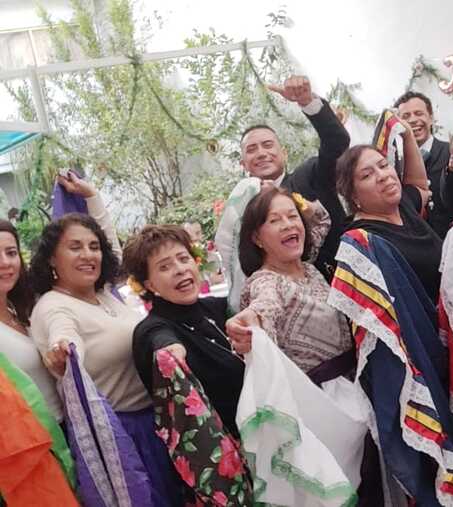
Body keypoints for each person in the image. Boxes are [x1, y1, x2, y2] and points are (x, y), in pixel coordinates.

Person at [29, 175, 183, 506]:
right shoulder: (53, 306)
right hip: (120, 439)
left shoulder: (106, 295)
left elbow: (111, 246)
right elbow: (64, 334)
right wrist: (63, 351)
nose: (89, 255)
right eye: (75, 247)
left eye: (93, 247)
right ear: (52, 259)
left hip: (155, 424)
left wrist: (94, 196)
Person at [215, 74, 350, 286]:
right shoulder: (242, 208)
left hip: (343, 284)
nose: (261, 153)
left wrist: (307, 102)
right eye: (252, 149)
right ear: (243, 164)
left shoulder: (309, 175)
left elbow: (337, 141)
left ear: (284, 153)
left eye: (268, 145)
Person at [124, 225, 245, 435]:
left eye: (183, 258)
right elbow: (159, 339)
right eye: (164, 267)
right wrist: (170, 350)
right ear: (149, 285)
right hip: (223, 451)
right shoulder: (152, 329)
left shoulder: (218, 308)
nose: (180, 269)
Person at [226, 187, 354, 380]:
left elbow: (322, 219)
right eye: (274, 220)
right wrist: (252, 321)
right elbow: (265, 305)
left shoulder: (308, 267)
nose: (287, 225)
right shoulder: (266, 281)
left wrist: (299, 201)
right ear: (257, 238)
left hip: (354, 383)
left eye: (293, 216)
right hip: (319, 398)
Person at [334, 122, 441, 303]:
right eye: (367, 175)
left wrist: (406, 134)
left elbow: (420, 185)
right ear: (353, 196)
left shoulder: (400, 205)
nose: (383, 176)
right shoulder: (363, 241)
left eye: (383, 165)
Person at [0, 219, 63, 421]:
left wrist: (92, 198)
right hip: (35, 443)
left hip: (72, 426)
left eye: (11, 252)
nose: (5, 262)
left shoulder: (27, 308)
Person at [394, 91, 453, 238]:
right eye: (406, 116)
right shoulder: (394, 163)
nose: (413, 120)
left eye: (418, 113)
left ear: (431, 118)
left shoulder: (451, 152)